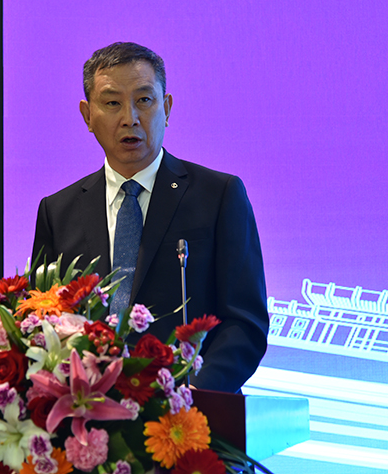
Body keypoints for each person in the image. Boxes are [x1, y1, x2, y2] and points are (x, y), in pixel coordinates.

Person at [31, 42, 268, 393]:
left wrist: (191, 396)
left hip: (187, 410)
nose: (130, 118)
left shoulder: (218, 196)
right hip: (88, 411)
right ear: (87, 115)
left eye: (144, 100)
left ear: (166, 108)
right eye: (112, 103)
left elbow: (244, 322)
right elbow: (41, 320)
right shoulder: (58, 211)